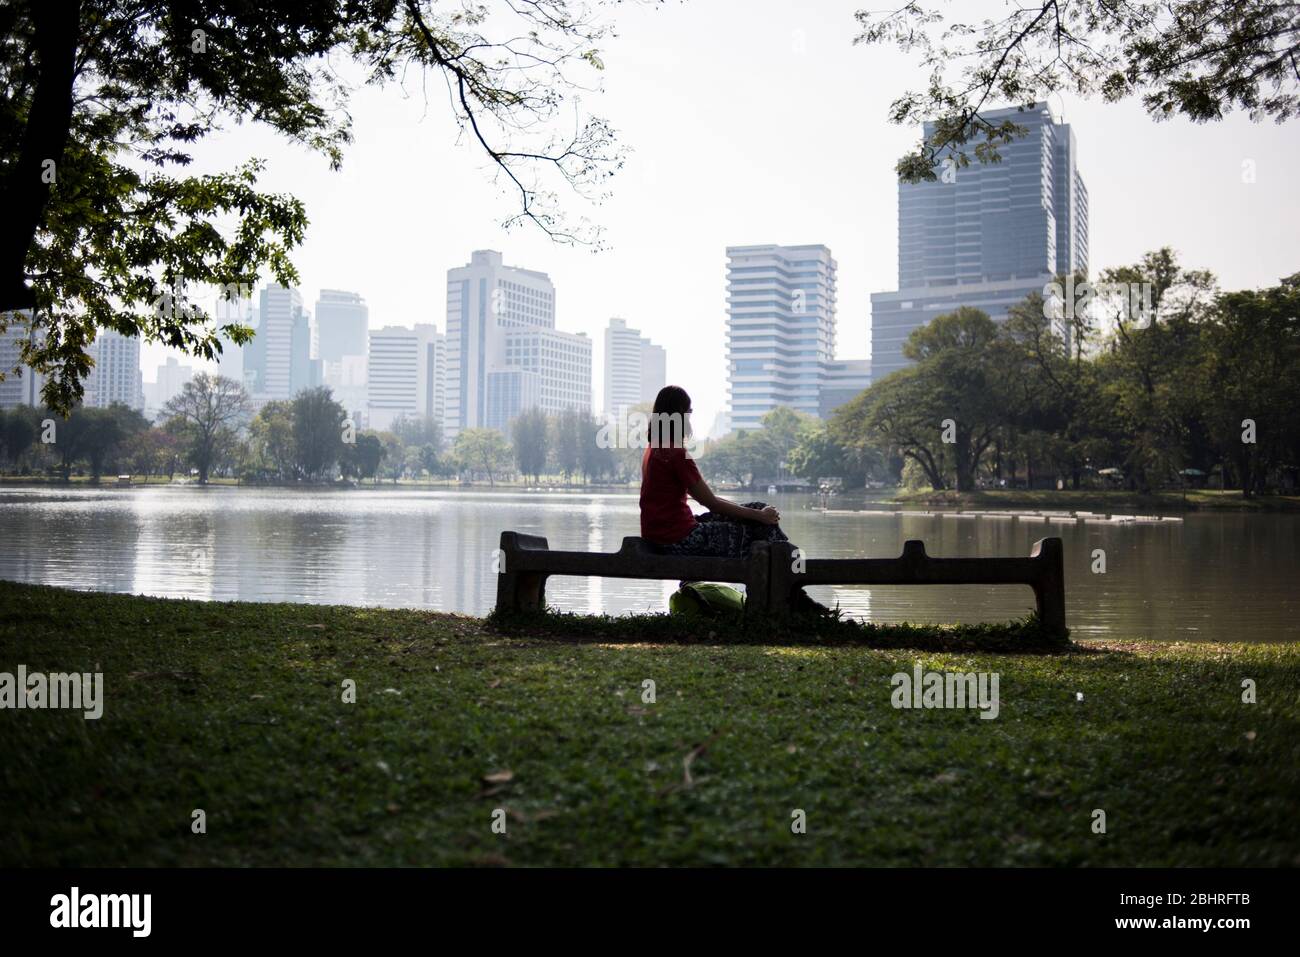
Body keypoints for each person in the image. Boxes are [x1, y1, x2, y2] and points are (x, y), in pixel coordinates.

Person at [638, 385, 832, 615]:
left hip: (662, 536)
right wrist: (759, 516)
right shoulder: (676, 453)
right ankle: (790, 596)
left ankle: (790, 596)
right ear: (679, 415)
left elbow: (708, 499)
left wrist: (758, 512)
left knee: (759, 511)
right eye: (688, 413)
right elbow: (711, 503)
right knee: (762, 526)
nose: (690, 420)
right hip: (680, 539)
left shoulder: (653, 449)